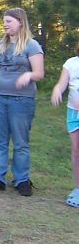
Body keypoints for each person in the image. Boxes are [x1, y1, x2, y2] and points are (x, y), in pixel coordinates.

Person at [0, 7, 44, 196]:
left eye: (9, 21)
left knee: (20, 142)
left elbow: (39, 73)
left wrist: (28, 75)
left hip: (22, 100)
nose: (5, 24)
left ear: (20, 22)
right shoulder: (0, 45)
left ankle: (22, 179)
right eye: (4, 21)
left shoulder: (31, 46)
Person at [50, 42, 79, 207]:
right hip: (73, 113)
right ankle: (78, 189)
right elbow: (62, 84)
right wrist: (57, 90)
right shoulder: (71, 63)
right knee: (76, 151)